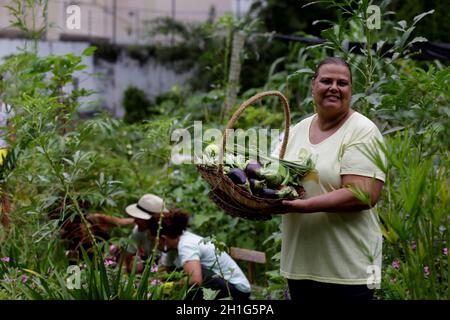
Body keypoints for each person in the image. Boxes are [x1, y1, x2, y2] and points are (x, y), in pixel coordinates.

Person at [274, 57, 386, 301]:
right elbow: (273, 177)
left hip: (348, 268)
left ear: (350, 90)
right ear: (313, 85)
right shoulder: (296, 131)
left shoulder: (362, 131)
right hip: (301, 265)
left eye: (342, 83)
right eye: (326, 81)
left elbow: (363, 193)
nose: (334, 87)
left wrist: (302, 206)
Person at [147, 209, 251, 300]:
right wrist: (147, 285)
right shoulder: (172, 246)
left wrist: (167, 286)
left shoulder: (186, 244)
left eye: (154, 241)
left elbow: (195, 281)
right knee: (180, 273)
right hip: (220, 284)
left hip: (237, 290)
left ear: (164, 238)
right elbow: (164, 272)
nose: (154, 244)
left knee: (194, 277)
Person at [122, 193, 169, 273]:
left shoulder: (166, 237)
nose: (135, 221)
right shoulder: (138, 230)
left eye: (139, 218)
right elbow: (127, 256)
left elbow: (166, 267)